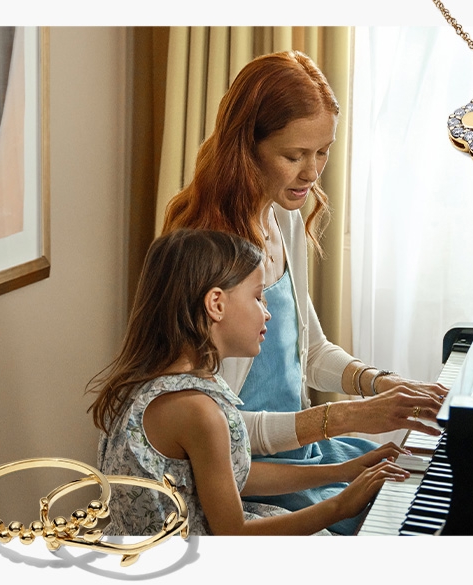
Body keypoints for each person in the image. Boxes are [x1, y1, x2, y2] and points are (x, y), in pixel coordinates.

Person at [161, 50, 447, 534]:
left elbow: (309, 351)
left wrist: (383, 384)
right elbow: (211, 428)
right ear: (245, 148)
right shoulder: (204, 251)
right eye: (293, 156)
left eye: (323, 152)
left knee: (424, 489)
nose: (312, 173)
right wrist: (347, 417)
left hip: (302, 450)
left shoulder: (283, 216)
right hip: (246, 475)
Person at [87, 228, 409, 535]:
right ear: (216, 304)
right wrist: (341, 505)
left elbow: (233, 476)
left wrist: (341, 471)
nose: (267, 312)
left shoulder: (154, 383)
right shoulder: (197, 411)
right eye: (258, 297)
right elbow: (234, 533)